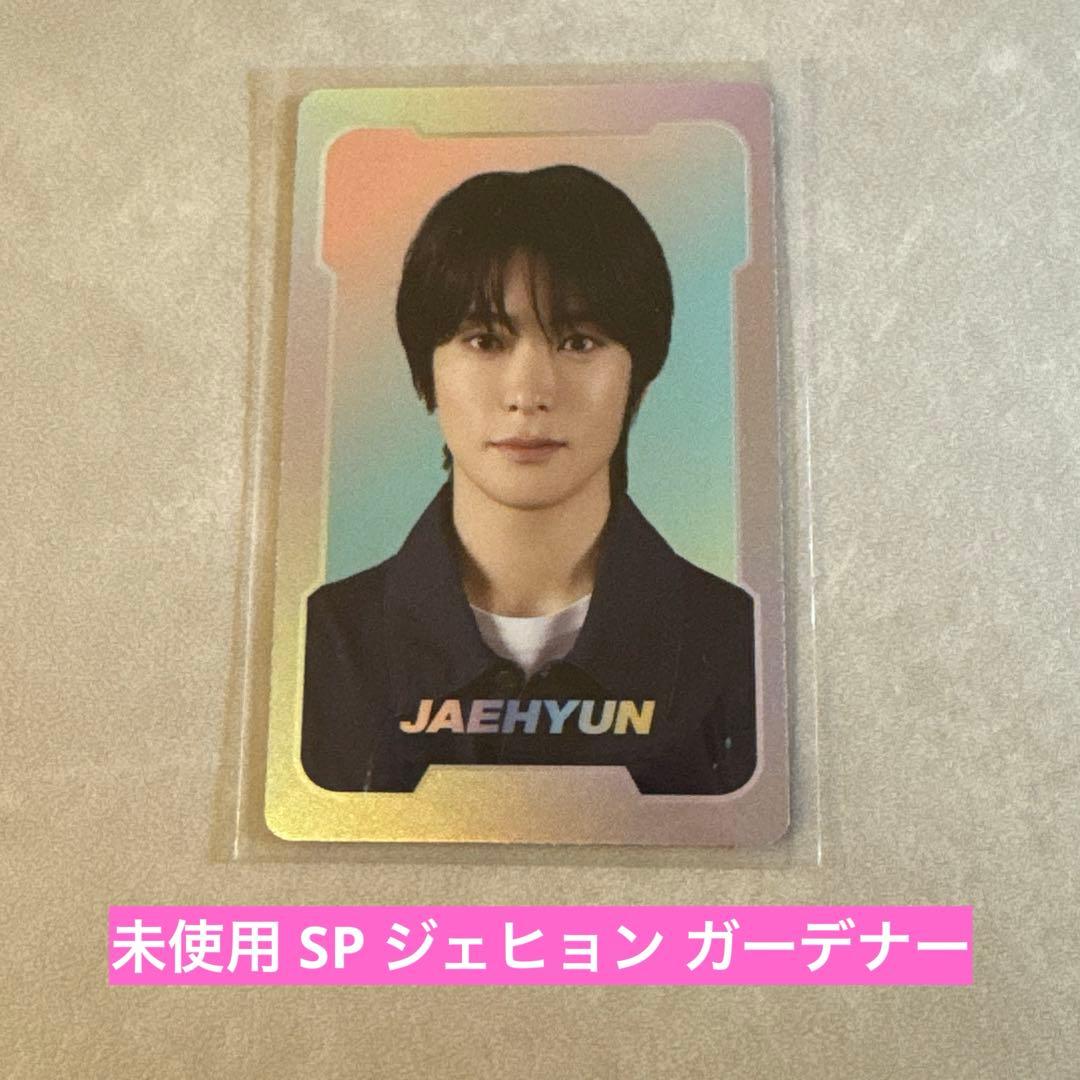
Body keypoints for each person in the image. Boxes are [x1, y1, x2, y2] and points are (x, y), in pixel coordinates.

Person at [300, 164, 757, 795]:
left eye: (578, 341)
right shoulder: (322, 644)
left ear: (639, 372)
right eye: (485, 340)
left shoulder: (739, 643)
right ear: (425, 370)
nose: (529, 392)